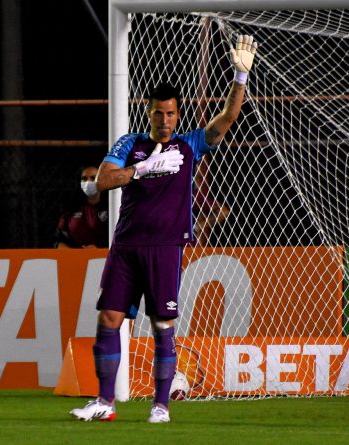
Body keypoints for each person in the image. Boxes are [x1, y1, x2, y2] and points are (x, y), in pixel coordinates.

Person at [70, 34, 258, 423]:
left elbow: (227, 119)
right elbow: (102, 181)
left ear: (177, 115)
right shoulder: (130, 143)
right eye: (158, 113)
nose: (164, 119)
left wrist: (240, 78)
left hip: (165, 248)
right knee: (108, 318)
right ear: (149, 112)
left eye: (170, 113)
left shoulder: (190, 145)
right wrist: (141, 169)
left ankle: (160, 405)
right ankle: (105, 403)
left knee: (162, 326)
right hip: (125, 247)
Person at [54, 165, 109, 249]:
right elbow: (58, 241)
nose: (88, 182)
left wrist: (98, 251)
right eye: (84, 179)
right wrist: (77, 255)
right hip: (74, 259)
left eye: (93, 178)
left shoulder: (112, 208)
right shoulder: (71, 207)